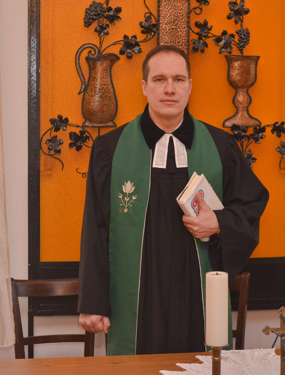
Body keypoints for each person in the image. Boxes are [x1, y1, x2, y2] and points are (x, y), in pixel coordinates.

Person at [77, 44, 269, 356]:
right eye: (159, 79)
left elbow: (251, 205)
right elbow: (95, 228)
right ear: (144, 86)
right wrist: (92, 302)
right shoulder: (110, 150)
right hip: (138, 296)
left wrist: (219, 222)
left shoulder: (221, 148)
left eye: (178, 80)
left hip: (196, 292)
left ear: (190, 86)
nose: (170, 89)